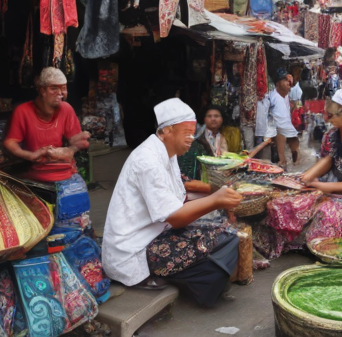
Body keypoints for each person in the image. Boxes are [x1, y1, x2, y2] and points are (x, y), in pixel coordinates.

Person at [102, 98, 242, 307]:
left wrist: (217, 199)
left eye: (192, 132)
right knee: (218, 238)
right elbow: (175, 218)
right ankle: (193, 282)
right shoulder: (147, 160)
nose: (191, 138)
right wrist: (214, 200)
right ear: (166, 131)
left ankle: (205, 280)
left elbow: (180, 197)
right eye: (186, 132)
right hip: (133, 249)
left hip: (154, 233)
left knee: (223, 231)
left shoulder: (168, 154)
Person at [4, 67, 90, 182]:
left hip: (65, 171)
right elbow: (10, 142)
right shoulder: (23, 111)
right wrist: (30, 155)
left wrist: (71, 149)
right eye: (54, 88)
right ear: (42, 91)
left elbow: (76, 141)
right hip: (35, 173)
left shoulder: (66, 109)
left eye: (64, 88)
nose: (60, 93)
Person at [268, 68, 300, 167]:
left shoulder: (285, 95)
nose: (288, 83)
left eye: (288, 81)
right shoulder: (273, 97)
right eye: (285, 80)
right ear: (278, 83)